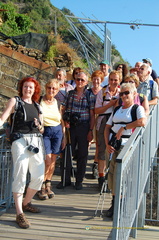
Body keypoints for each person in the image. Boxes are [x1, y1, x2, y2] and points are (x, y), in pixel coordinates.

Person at [0, 77, 45, 229]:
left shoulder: (38, 106)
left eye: (31, 87)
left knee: (39, 176)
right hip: (19, 140)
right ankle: (19, 213)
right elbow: (3, 118)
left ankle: (26, 203)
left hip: (36, 141)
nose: (28, 89)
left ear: (35, 90)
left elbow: (42, 129)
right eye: (26, 86)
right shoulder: (15, 101)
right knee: (20, 175)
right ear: (22, 87)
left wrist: (39, 126)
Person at [104, 83, 146, 218]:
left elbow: (142, 121)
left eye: (126, 93)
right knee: (111, 172)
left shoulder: (137, 108)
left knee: (119, 173)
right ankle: (115, 201)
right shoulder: (117, 109)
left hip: (126, 144)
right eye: (121, 94)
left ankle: (119, 203)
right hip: (113, 144)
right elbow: (107, 127)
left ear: (134, 94)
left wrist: (124, 128)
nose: (123, 96)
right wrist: (106, 144)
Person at [56, 71, 95, 190]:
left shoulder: (90, 95)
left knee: (83, 155)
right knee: (67, 153)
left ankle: (79, 181)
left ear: (86, 82)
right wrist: (65, 120)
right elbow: (63, 108)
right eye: (78, 79)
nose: (80, 82)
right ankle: (65, 180)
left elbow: (92, 114)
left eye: (82, 80)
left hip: (84, 127)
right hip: (71, 127)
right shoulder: (70, 94)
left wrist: (90, 130)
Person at [37, 79, 65, 200]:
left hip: (57, 131)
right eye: (49, 88)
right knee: (46, 159)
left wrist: (64, 137)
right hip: (45, 132)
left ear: (57, 90)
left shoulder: (58, 103)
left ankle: (48, 183)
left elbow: (62, 121)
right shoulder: (39, 101)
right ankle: (40, 185)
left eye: (54, 88)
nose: (51, 90)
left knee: (53, 159)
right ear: (45, 87)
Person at [95, 70, 121, 191]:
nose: (113, 82)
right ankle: (101, 178)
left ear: (119, 81)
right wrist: (110, 104)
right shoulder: (102, 93)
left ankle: (110, 178)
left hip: (116, 122)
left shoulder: (122, 93)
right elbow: (97, 110)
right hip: (103, 121)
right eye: (111, 79)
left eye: (116, 80)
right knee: (102, 150)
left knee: (113, 150)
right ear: (108, 80)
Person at [90, 70, 104, 179]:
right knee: (88, 142)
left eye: (98, 79)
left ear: (101, 80)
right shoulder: (88, 92)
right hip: (89, 118)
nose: (96, 81)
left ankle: (95, 165)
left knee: (99, 144)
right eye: (94, 79)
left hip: (99, 117)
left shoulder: (103, 92)